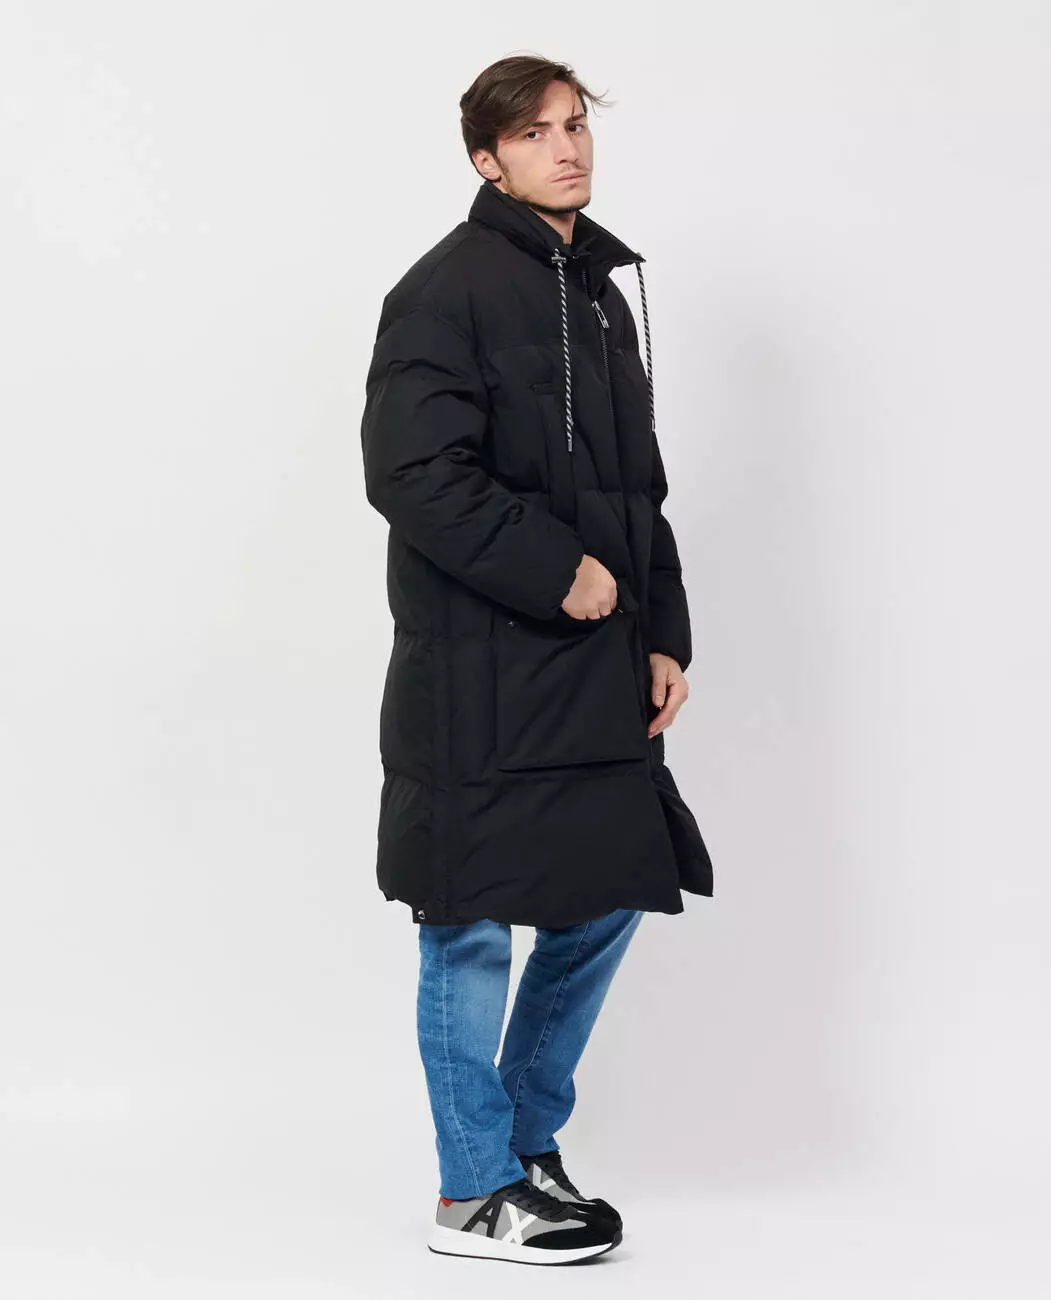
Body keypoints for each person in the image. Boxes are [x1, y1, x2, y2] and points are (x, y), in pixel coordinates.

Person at [359, 54, 714, 1265]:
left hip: (593, 663)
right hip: (477, 668)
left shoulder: (596, 295)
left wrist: (662, 631)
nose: (565, 148)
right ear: (487, 159)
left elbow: (636, 490)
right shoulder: (443, 292)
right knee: (465, 918)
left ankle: (519, 1142)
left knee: (612, 884)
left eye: (573, 125)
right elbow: (412, 473)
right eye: (533, 134)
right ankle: (473, 1192)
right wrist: (555, 568)